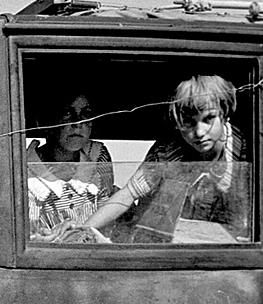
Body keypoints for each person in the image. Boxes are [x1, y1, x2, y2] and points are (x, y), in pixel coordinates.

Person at [83, 74, 249, 243]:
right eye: (188, 122)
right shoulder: (166, 152)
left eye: (208, 119)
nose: (199, 132)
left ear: (225, 113)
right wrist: (82, 231)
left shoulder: (246, 150)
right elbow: (127, 195)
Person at [27, 91, 115, 237]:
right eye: (67, 113)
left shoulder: (97, 157)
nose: (77, 123)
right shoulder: (26, 170)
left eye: (86, 114)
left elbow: (108, 217)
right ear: (44, 122)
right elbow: (26, 236)